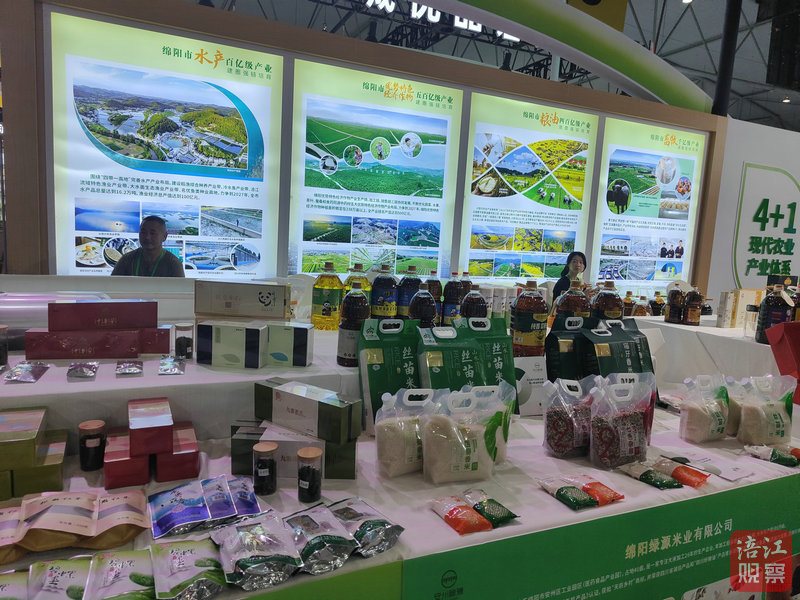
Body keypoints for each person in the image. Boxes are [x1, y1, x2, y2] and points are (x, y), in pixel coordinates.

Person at [111, 216, 185, 277]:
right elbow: (112, 286)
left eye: (152, 233)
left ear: (164, 236)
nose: (147, 237)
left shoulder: (173, 263)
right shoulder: (127, 259)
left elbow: (180, 289)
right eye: (143, 232)